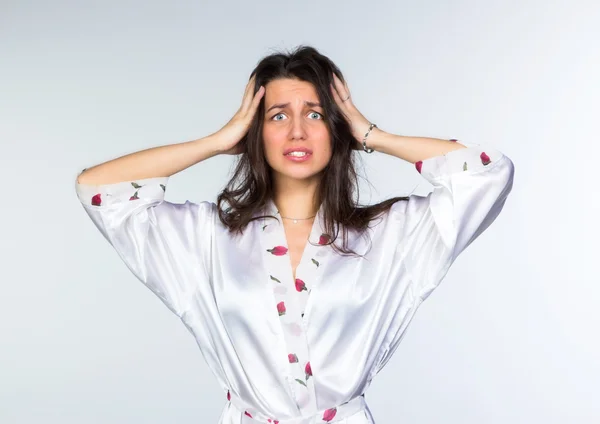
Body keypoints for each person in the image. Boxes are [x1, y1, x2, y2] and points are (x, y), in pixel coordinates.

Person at [74, 45, 515, 424]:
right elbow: (98, 188)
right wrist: (217, 140)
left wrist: (370, 133)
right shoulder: (205, 238)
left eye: (316, 114)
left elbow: (488, 173)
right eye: (278, 115)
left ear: (335, 128)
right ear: (256, 131)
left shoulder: (391, 235)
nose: (297, 131)